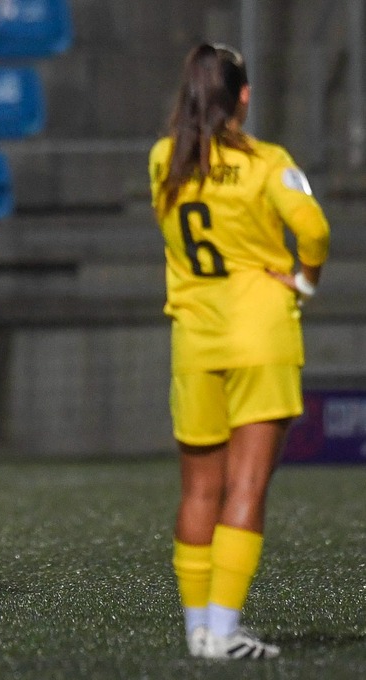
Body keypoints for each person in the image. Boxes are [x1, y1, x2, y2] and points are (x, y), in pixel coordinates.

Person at [149, 44, 330, 660]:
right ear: (243, 97)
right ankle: (225, 634)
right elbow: (314, 229)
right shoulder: (267, 163)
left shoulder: (162, 161)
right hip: (260, 334)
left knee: (199, 491)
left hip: (194, 339)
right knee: (246, 487)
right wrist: (303, 279)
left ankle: (200, 632)